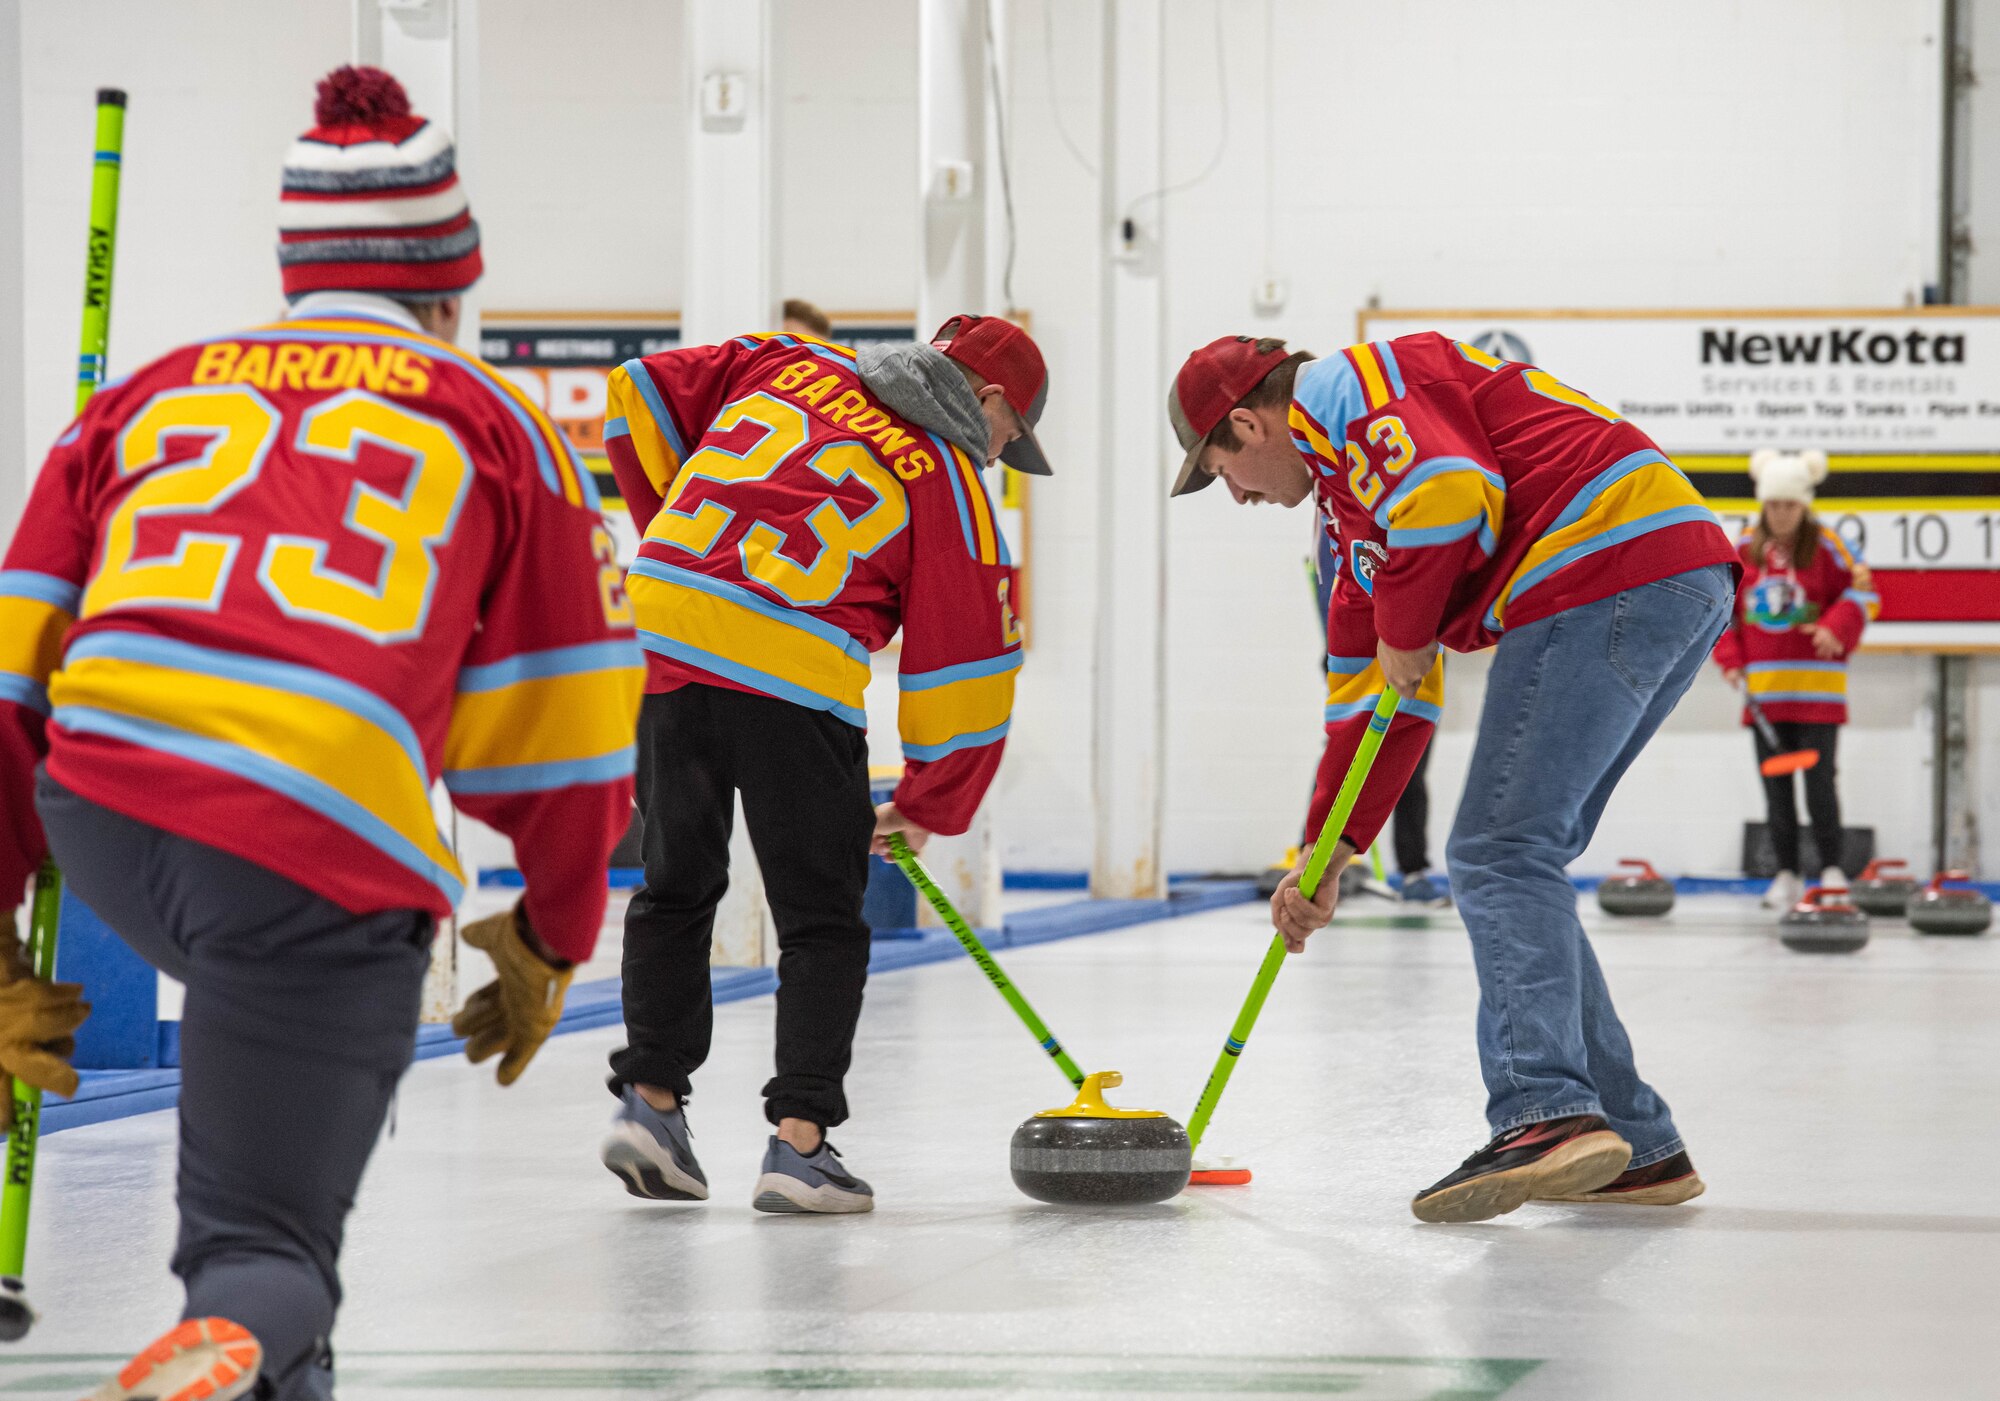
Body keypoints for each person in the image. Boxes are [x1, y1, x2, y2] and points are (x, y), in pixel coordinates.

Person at [0, 68, 643, 1399]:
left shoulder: (148, 395)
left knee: (275, 1185)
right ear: (453, 292)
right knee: (265, 1247)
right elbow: (567, 740)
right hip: (311, 834)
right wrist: (552, 932)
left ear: (294, 271)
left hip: (105, 801)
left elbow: (11, 676)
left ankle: (261, 1355)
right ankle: (224, 1337)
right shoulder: (498, 420)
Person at [1169, 332, 1738, 1223]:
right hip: (1667, 571)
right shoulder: (1347, 520)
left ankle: (1545, 1110)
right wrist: (1328, 851)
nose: (1236, 496)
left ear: (1248, 421)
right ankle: (1637, 1145)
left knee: (1497, 850)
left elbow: (1450, 491)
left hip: (1603, 562)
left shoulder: (1344, 387)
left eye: (1222, 470)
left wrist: (1406, 624)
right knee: (1522, 854)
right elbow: (1372, 702)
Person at [598, 313, 1051, 1213]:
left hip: (662, 633)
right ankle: (799, 1146)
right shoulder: (953, 479)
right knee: (821, 920)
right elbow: (969, 659)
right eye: (1012, 435)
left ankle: (649, 1105)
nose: (1001, 454)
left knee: (675, 879)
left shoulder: (790, 363)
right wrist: (929, 796)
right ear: (989, 399)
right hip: (794, 674)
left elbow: (637, 391)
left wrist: (680, 544)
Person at [1712, 449, 1876, 908]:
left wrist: (1834, 626)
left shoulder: (1828, 545)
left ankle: (1831, 870)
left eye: (1790, 504)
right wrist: (1730, 659)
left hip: (1817, 695)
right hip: (1764, 697)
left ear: (1804, 504)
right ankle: (1785, 874)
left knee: (1820, 785)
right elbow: (1725, 612)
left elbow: (1866, 595)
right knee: (1776, 792)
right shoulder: (1744, 549)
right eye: (1774, 504)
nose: (1781, 513)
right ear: (1763, 504)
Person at [1315, 525, 1447, 907]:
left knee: (1411, 757)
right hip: (1358, 636)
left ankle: (1413, 869)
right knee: (1343, 747)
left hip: (1417, 635)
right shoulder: (1330, 509)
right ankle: (1315, 854)